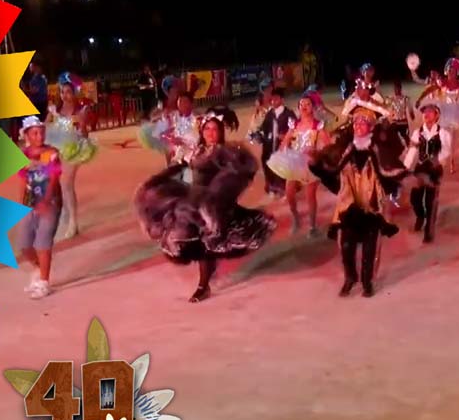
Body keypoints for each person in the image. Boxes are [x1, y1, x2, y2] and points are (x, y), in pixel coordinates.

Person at [133, 108, 277, 302]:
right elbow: (183, 167)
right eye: (207, 129)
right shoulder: (196, 150)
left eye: (214, 129)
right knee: (194, 241)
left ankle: (203, 285)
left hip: (215, 208)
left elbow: (235, 176)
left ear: (220, 132)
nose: (210, 133)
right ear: (202, 132)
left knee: (206, 243)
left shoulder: (226, 153)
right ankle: (207, 275)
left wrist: (218, 195)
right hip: (193, 204)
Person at [312, 111, 408, 298]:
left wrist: (403, 172)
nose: (358, 126)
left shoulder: (376, 149)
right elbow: (335, 169)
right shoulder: (348, 149)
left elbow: (386, 171)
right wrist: (317, 165)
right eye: (355, 124)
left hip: (371, 204)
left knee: (370, 247)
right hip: (350, 203)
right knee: (345, 244)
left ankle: (367, 281)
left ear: (370, 127)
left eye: (362, 124)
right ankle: (350, 277)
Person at [268, 92, 331, 236]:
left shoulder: (317, 125)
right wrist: (282, 152)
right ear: (298, 107)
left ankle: (312, 226)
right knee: (289, 193)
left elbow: (328, 145)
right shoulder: (294, 124)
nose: (304, 106)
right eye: (302, 104)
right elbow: (285, 142)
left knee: (310, 195)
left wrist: (316, 152)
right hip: (294, 162)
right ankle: (296, 218)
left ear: (313, 107)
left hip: (310, 163)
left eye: (308, 104)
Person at [45, 73, 97, 240]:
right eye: (62, 92)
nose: (64, 95)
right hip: (58, 148)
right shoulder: (55, 110)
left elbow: (84, 134)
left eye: (68, 92)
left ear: (74, 93)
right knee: (57, 184)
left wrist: (82, 124)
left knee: (67, 184)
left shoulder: (81, 110)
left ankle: (73, 223)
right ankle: (66, 214)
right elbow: (45, 127)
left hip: (75, 149)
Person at [17, 117, 62, 299]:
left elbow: (53, 179)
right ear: (26, 135)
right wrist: (21, 204)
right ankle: (38, 268)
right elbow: (22, 180)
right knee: (24, 244)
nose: (39, 136)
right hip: (30, 203)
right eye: (34, 133)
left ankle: (44, 282)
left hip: (49, 203)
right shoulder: (23, 155)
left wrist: (46, 201)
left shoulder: (52, 153)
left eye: (41, 132)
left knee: (43, 242)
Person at [405, 102, 451, 242]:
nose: (426, 114)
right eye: (425, 112)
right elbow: (412, 151)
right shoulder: (417, 132)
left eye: (430, 112)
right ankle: (420, 216)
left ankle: (428, 232)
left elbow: (446, 150)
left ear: (437, 115)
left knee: (431, 201)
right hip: (420, 168)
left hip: (434, 170)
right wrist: (405, 168)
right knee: (415, 199)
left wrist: (437, 160)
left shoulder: (443, 133)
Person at [257, 88, 294, 198]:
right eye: (272, 99)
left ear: (282, 100)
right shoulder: (270, 114)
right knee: (268, 164)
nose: (273, 101)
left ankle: (284, 188)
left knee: (282, 166)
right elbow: (263, 128)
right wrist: (260, 135)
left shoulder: (289, 114)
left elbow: (294, 130)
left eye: (276, 99)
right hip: (269, 146)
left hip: (282, 146)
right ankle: (272, 187)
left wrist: (286, 136)